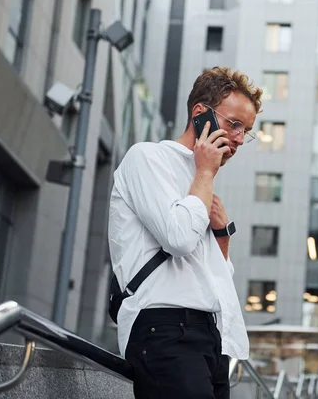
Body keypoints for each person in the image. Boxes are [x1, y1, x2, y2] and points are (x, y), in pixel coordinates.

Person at [108, 66, 262, 399]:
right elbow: (178, 239)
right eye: (233, 124)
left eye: (246, 131)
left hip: (208, 336)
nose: (238, 138)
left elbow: (209, 278)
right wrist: (205, 172)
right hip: (163, 326)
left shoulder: (201, 182)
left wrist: (222, 238)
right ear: (200, 115)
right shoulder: (148, 158)